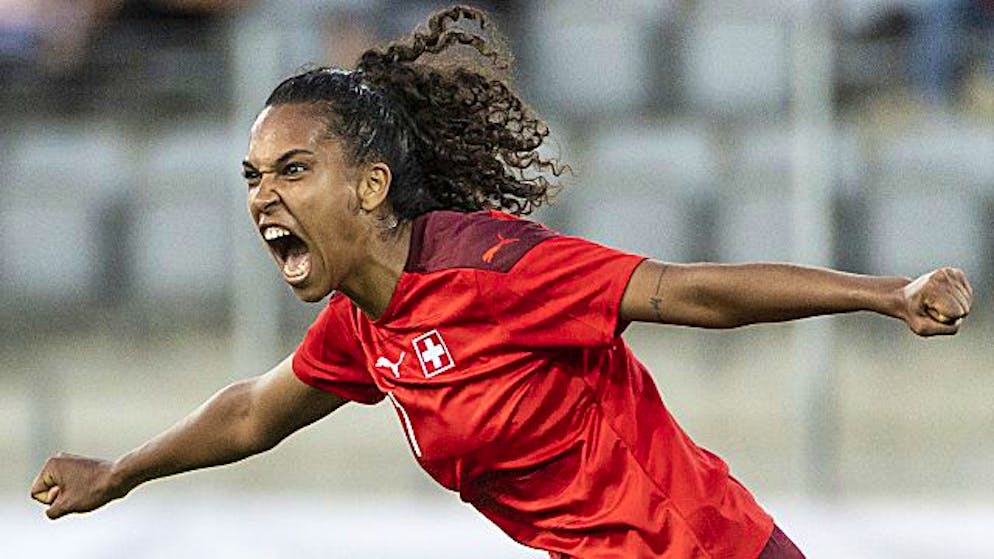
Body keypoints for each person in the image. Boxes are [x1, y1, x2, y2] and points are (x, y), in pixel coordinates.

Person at [30, 6, 973, 559]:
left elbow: (689, 291)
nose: (263, 195)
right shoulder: (363, 324)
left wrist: (885, 294)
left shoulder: (494, 267)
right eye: (253, 176)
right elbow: (250, 412)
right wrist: (119, 473)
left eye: (293, 169)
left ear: (371, 186)